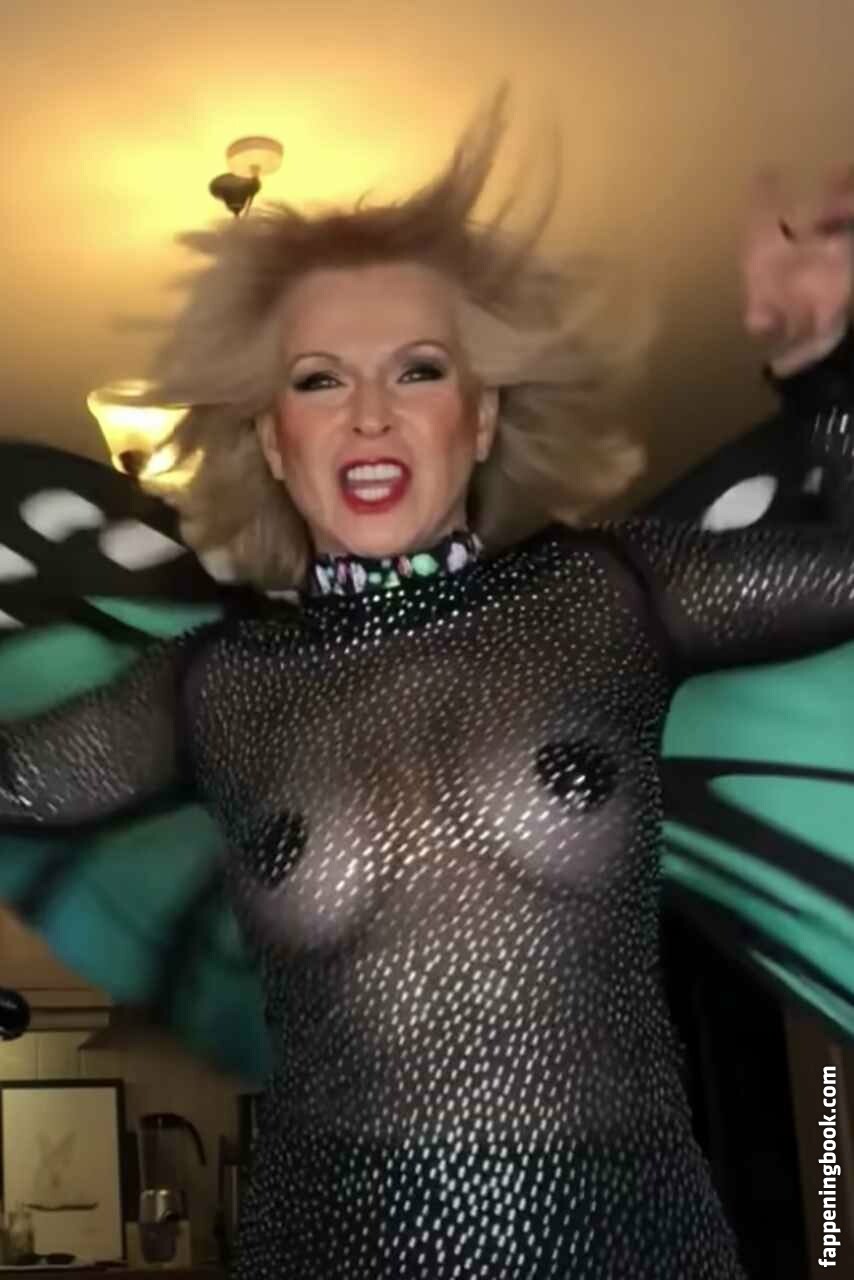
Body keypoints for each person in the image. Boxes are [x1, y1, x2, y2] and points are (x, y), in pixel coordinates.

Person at [2, 96, 854, 1277]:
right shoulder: (214, 687)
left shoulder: (606, 593)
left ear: (480, 413)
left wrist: (823, 378)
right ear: (273, 438)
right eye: (316, 379)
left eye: (416, 368)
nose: (367, 412)